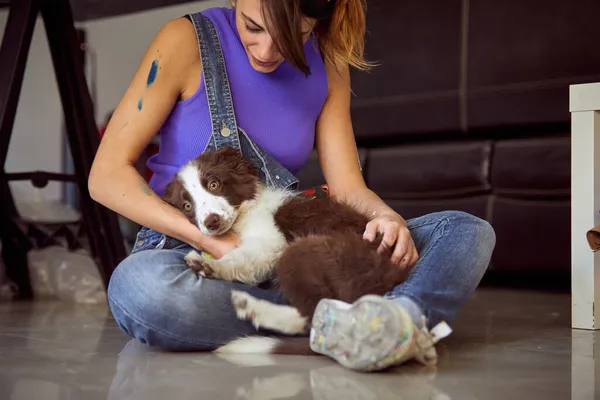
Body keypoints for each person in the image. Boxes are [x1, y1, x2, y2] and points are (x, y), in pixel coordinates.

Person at [89, 0, 496, 371]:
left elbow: (348, 189)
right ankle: (356, 324)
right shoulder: (186, 39)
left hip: (292, 250)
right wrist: (218, 245)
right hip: (190, 254)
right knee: (141, 289)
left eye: (292, 38)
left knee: (465, 231)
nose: (266, 52)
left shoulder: (330, 61)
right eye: (252, 27)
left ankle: (391, 320)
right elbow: (105, 175)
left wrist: (387, 220)